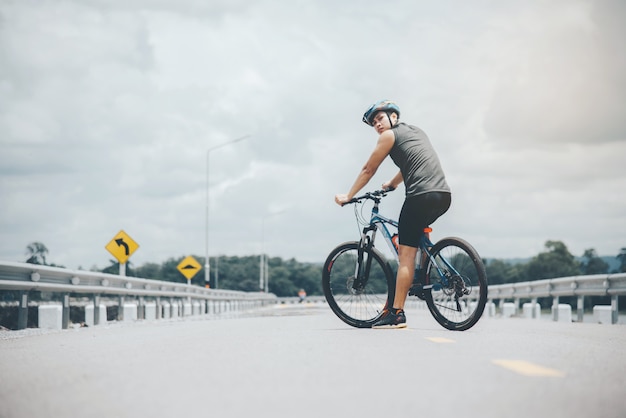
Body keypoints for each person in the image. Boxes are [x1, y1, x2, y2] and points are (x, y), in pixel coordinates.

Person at [334, 100, 451, 329]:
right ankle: (423, 276)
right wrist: (393, 183)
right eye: (374, 123)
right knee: (417, 233)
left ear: (393, 117)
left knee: (405, 256)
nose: (377, 124)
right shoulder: (416, 131)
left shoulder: (388, 136)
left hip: (420, 196)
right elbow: (412, 163)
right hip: (443, 195)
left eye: (380, 118)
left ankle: (396, 313)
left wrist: (349, 195)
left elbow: (368, 169)